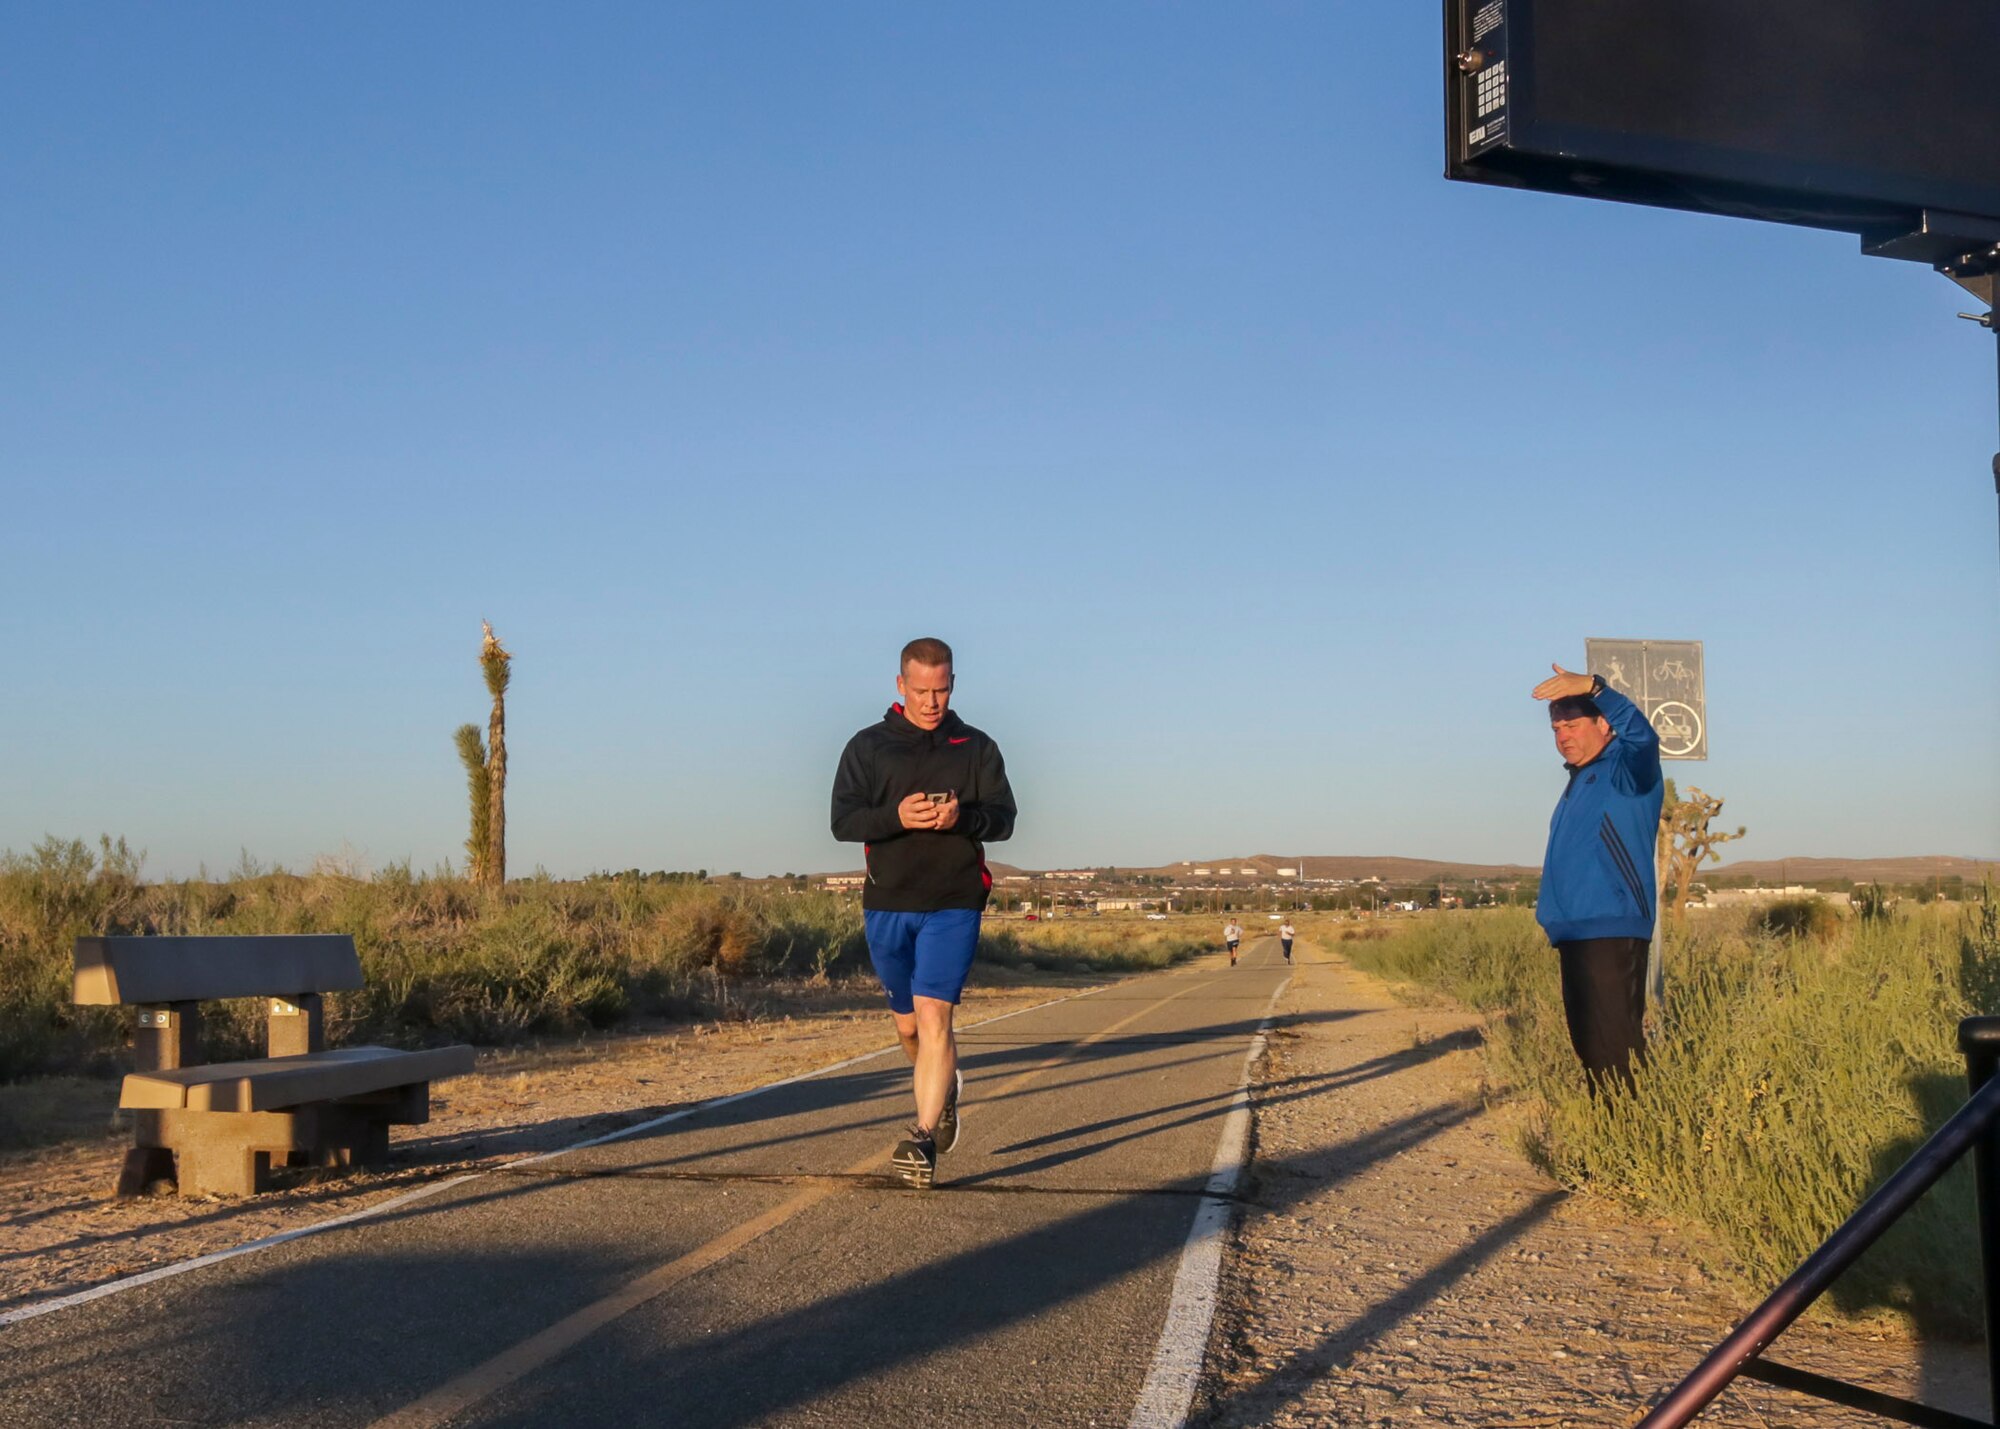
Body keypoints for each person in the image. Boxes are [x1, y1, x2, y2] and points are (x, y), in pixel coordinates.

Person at [831, 637, 1016, 1188]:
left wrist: (962, 818)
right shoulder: (867, 747)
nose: (932, 701)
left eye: (941, 689)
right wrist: (897, 815)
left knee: (935, 1017)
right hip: (888, 904)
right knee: (909, 1028)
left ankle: (921, 1137)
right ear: (900, 686)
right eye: (921, 691)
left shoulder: (976, 747)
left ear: (953, 684)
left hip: (954, 902)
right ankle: (945, 1088)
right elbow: (843, 823)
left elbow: (1003, 819)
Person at [1531, 662, 1664, 1088]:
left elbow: (1644, 738)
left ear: (1604, 724)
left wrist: (1595, 687)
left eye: (1571, 724)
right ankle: (1606, 1146)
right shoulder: (1579, 781)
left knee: (1616, 1056)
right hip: (1574, 933)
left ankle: (1632, 1147)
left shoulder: (1627, 772)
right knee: (1592, 1055)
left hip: (1610, 929)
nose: (1563, 735)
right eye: (1556, 728)